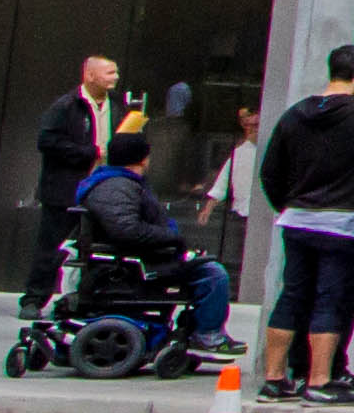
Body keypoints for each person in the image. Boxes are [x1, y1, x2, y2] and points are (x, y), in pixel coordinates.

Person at [256, 47, 354, 406]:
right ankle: (319, 380)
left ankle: (275, 380)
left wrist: (289, 205)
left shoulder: (295, 114)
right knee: (330, 299)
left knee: (290, 296)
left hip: (298, 219)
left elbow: (270, 171)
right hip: (344, 221)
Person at [69, 127, 233, 348]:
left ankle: (200, 330)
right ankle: (207, 334)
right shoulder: (117, 186)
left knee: (206, 266)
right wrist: (172, 239)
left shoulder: (116, 183)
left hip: (143, 258)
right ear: (143, 160)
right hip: (136, 266)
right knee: (213, 274)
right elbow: (125, 230)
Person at [26, 55, 121, 311]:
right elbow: (47, 142)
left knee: (99, 248)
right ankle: (34, 299)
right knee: (51, 247)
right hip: (64, 189)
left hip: (102, 188)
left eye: (115, 73)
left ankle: (89, 299)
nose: (115, 78)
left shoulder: (116, 106)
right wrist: (89, 152)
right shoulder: (66, 106)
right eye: (109, 73)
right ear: (90, 76)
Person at [194, 102, 259, 272]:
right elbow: (222, 183)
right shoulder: (240, 152)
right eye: (248, 126)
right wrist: (208, 209)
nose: (252, 130)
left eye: (256, 126)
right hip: (241, 214)